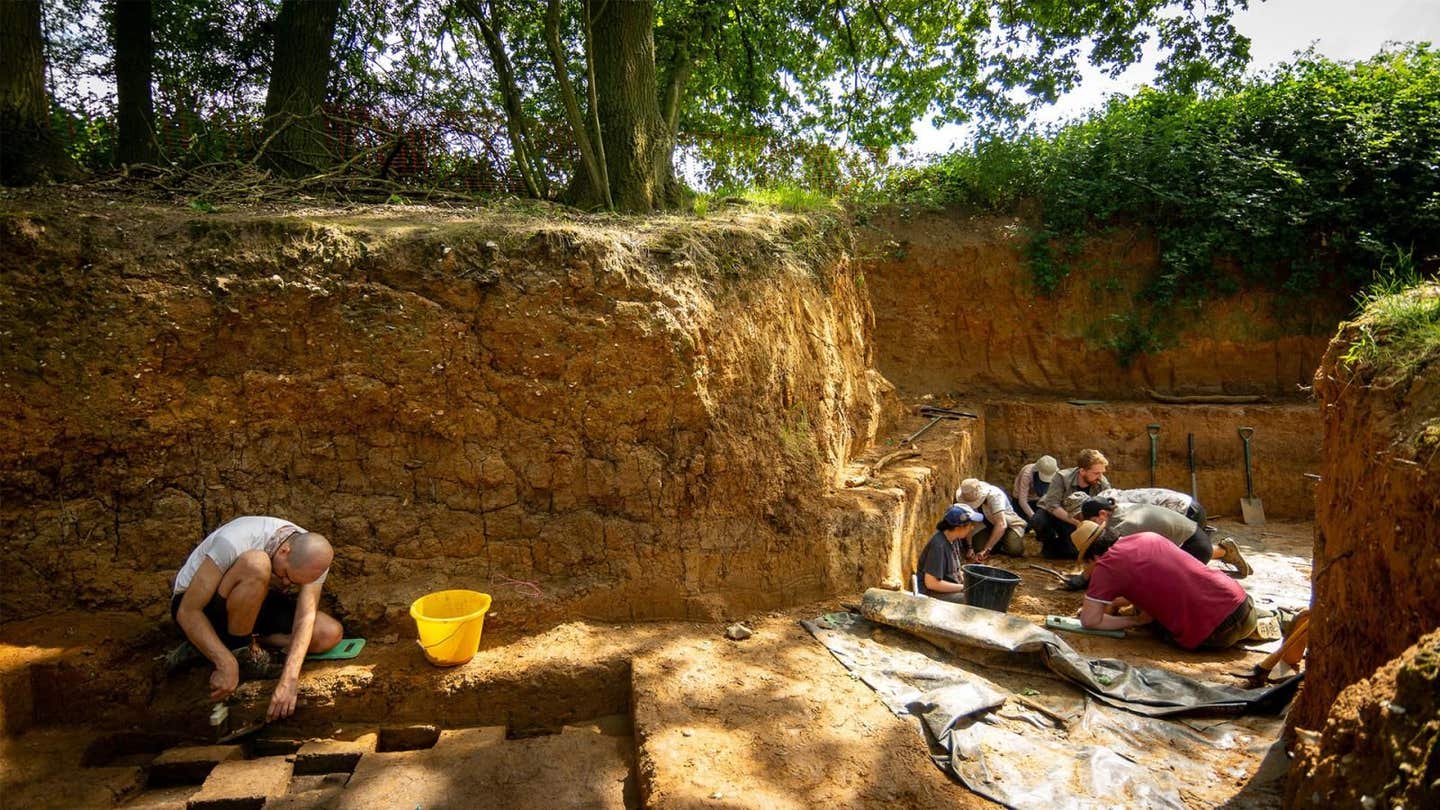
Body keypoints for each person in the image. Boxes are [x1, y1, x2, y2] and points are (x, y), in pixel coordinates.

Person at [171, 516, 344, 721]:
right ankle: (237, 653)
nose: (286, 583)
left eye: (294, 582)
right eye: (287, 575)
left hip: (251, 601)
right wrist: (226, 663)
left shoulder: (314, 559)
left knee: (328, 633)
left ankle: (225, 644)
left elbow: (305, 616)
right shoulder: (236, 539)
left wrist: (289, 680)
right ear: (284, 551)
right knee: (257, 563)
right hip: (199, 606)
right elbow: (188, 611)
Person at [1072, 521, 1259, 650]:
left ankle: (1238, 632)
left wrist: (1135, 621)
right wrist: (1114, 604)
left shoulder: (1106, 565)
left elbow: (1089, 621)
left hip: (1215, 634)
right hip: (1242, 603)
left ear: (1094, 557)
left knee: (1150, 622)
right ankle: (1263, 621)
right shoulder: (1148, 537)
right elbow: (1158, 582)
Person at [1079, 496, 1250, 576]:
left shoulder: (1121, 526)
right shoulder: (1120, 507)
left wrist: (1085, 578)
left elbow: (1115, 560)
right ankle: (1223, 551)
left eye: (1093, 521)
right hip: (1195, 537)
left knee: (1161, 581)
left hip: (1194, 547)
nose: (1093, 526)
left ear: (1102, 514)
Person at [1032, 449, 1111, 558]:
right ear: (1082, 471)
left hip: (1080, 519)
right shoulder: (1062, 477)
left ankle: (1061, 546)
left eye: (1102, 473)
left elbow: (1107, 508)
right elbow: (1052, 505)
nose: (1100, 477)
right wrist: (1076, 523)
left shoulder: (1102, 482)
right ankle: (1048, 544)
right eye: (1096, 473)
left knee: (1073, 553)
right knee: (1039, 520)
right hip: (1058, 515)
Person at [915, 504, 987, 603]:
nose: (972, 528)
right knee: (974, 599)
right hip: (932, 595)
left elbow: (955, 571)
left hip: (949, 587)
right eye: (970, 524)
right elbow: (931, 583)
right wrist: (964, 587)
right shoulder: (939, 546)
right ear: (959, 527)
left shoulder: (954, 540)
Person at [956, 478, 1028, 560]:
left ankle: (1001, 539)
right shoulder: (967, 497)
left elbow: (1001, 524)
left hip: (1008, 525)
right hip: (984, 525)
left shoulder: (995, 496)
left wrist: (986, 550)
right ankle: (996, 541)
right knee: (978, 548)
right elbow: (969, 522)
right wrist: (970, 547)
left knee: (1014, 550)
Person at [1096, 486, 1208, 528]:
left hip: (1184, 510)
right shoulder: (1106, 496)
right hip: (1189, 502)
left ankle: (1223, 550)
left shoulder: (1116, 509)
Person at [1011, 454, 1059, 522]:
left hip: (1038, 499)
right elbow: (1022, 500)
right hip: (1021, 500)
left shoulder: (1053, 470)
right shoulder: (1027, 474)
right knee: (1024, 524)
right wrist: (1034, 518)